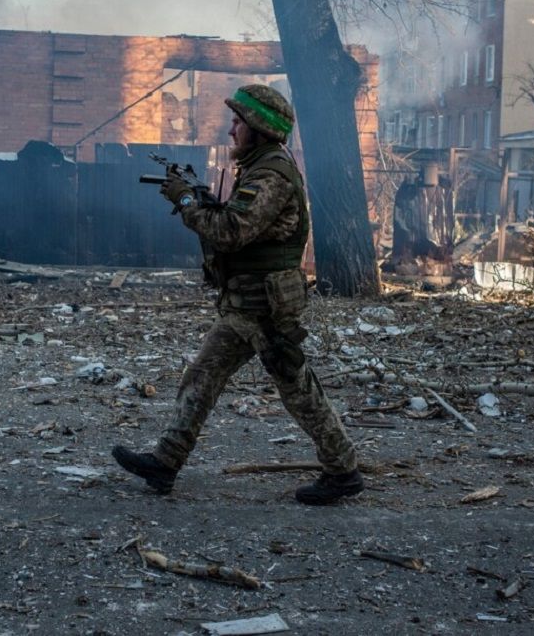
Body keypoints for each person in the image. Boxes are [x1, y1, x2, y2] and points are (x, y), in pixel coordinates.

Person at [112, 84, 363, 505]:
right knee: (202, 377)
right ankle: (166, 462)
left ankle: (343, 470)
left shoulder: (270, 175)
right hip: (243, 304)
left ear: (258, 128)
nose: (231, 131)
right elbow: (239, 222)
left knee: (296, 387)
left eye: (237, 122)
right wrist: (204, 200)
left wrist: (189, 201)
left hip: (265, 306)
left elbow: (231, 232)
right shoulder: (259, 167)